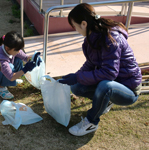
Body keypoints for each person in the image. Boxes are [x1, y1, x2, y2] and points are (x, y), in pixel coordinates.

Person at [58, 3, 142, 136]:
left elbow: (109, 73)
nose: (75, 29)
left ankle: (91, 122)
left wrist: (79, 77)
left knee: (106, 86)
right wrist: (75, 76)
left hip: (129, 90)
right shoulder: (91, 38)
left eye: (75, 26)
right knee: (76, 87)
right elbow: (90, 64)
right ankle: (106, 101)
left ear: (84, 24)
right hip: (114, 83)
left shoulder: (111, 39)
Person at [0, 31, 41, 99]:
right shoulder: (1, 59)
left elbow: (25, 57)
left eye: (20, 49)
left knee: (18, 60)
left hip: (6, 73)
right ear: (7, 48)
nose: (19, 51)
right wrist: (25, 69)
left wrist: (34, 58)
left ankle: (9, 82)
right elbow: (11, 77)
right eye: (17, 50)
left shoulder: (12, 48)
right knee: (10, 66)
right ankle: (0, 87)